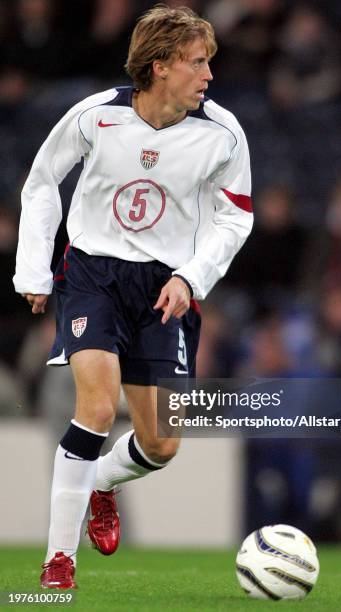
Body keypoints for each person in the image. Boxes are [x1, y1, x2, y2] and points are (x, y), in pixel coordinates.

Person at [13, 4, 253, 589]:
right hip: (94, 273)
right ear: (160, 66)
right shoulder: (96, 116)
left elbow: (234, 220)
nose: (209, 75)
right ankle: (58, 564)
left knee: (163, 443)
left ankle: (100, 482)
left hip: (166, 287)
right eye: (197, 63)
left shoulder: (222, 133)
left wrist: (191, 278)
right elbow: (43, 182)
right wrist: (34, 271)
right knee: (96, 407)